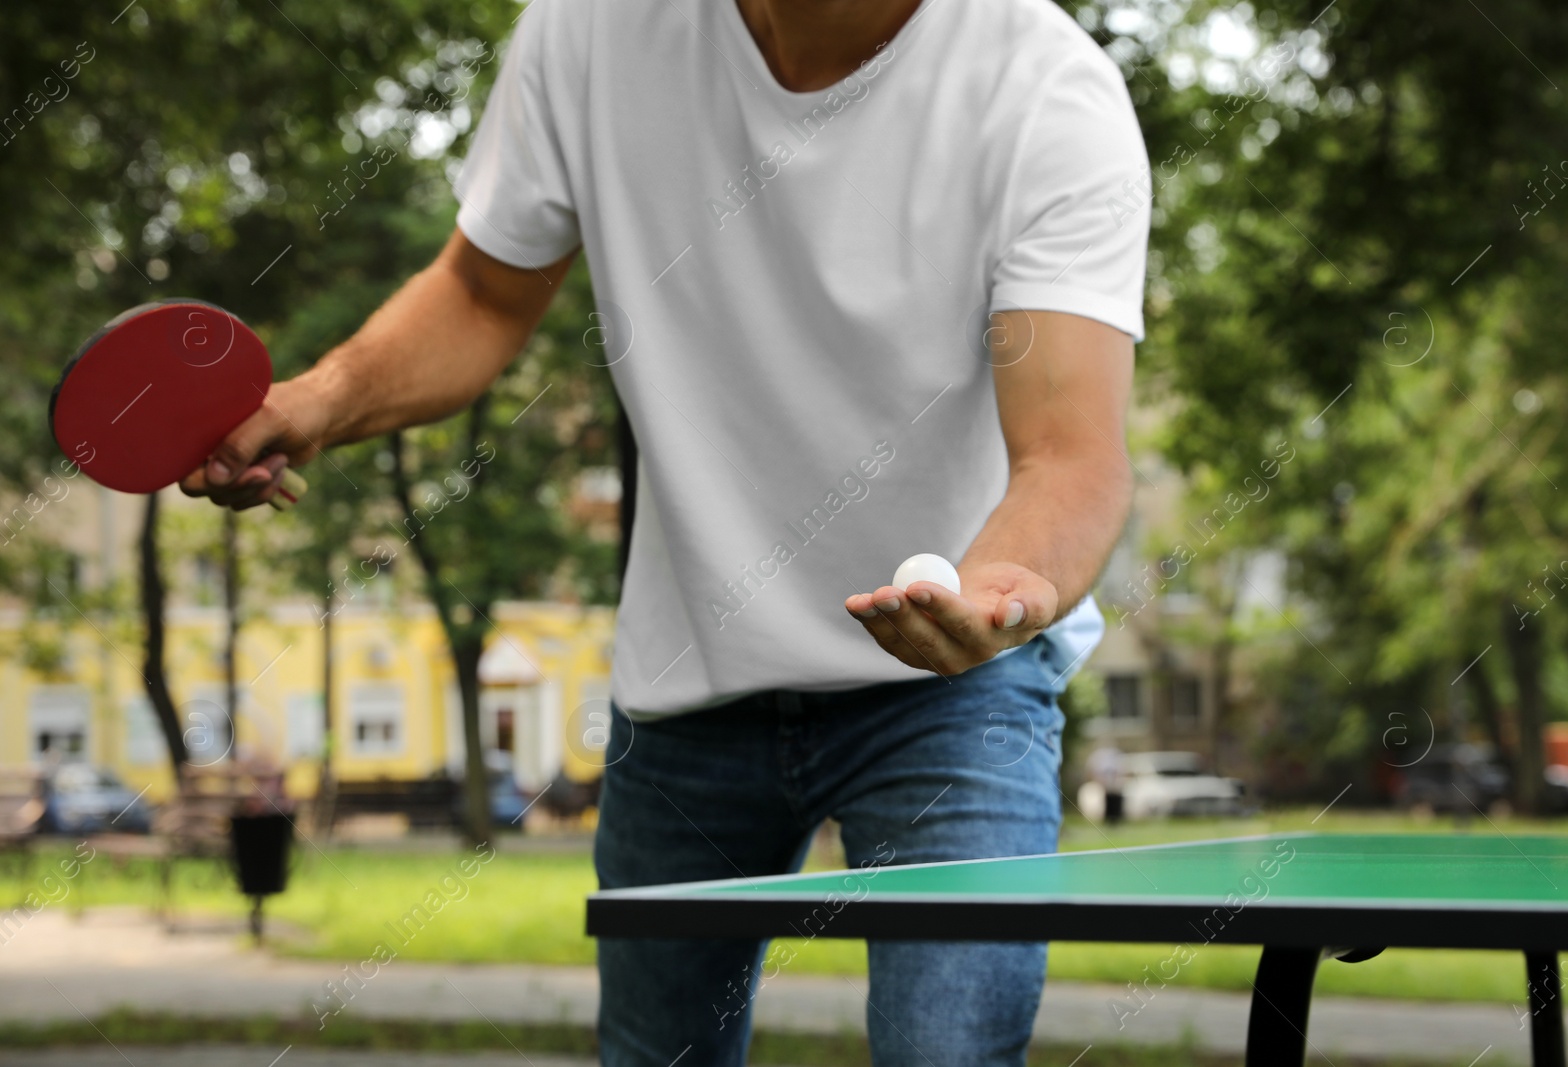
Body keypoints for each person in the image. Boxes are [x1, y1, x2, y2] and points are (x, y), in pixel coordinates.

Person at [184, 0, 1149, 1061]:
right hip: (693, 673)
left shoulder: (1045, 88)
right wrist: (318, 400)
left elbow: (1071, 453)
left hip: (951, 689)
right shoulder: (589, 29)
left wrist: (1005, 587)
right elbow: (482, 290)